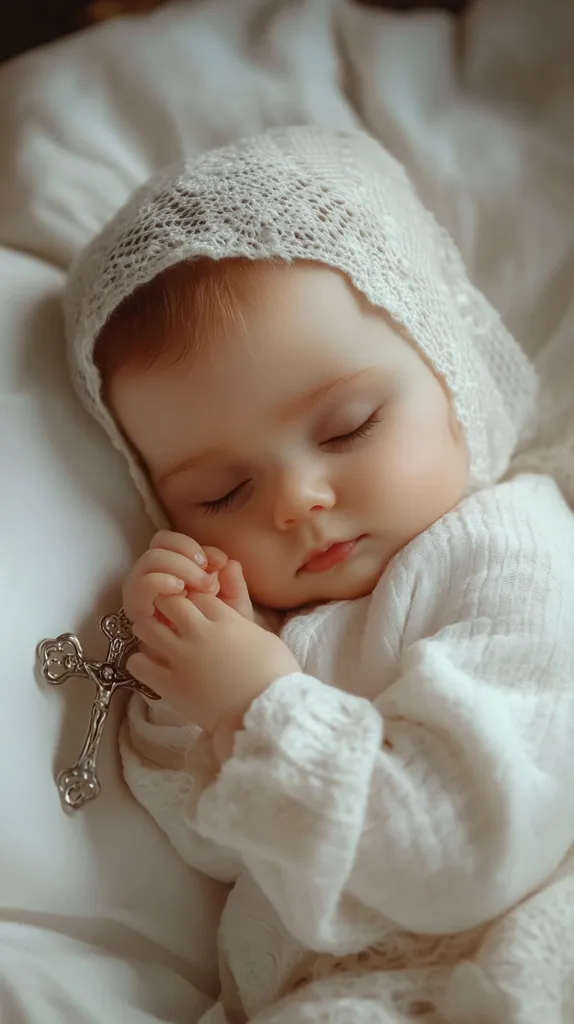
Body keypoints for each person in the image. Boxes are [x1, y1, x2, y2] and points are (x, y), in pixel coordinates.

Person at [65, 126, 574, 1023]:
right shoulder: (277, 625)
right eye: (223, 493)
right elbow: (217, 848)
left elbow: (462, 845)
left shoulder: (513, 550)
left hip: (489, 965)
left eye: (347, 427)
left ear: (450, 369)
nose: (298, 499)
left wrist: (258, 707)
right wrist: (189, 686)